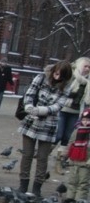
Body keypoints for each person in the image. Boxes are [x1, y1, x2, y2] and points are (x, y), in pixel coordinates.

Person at [17, 61, 71, 196]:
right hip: (31, 120)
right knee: (27, 154)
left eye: (61, 75)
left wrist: (40, 110)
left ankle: (37, 188)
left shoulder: (66, 87)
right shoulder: (41, 77)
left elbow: (58, 106)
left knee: (42, 157)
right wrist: (29, 107)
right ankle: (23, 185)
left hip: (49, 124)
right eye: (56, 73)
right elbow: (29, 93)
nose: (57, 76)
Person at [53, 57, 89, 175]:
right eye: (85, 66)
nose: (87, 69)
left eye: (89, 67)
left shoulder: (88, 81)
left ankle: (58, 163)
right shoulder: (70, 75)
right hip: (63, 109)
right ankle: (44, 151)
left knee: (67, 137)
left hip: (76, 111)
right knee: (58, 134)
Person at [64, 108, 90, 203]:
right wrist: (65, 155)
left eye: (88, 120)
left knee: (83, 182)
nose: (85, 122)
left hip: (85, 160)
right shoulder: (77, 130)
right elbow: (70, 143)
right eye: (84, 120)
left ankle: (80, 200)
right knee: (72, 180)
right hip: (74, 159)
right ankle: (70, 197)